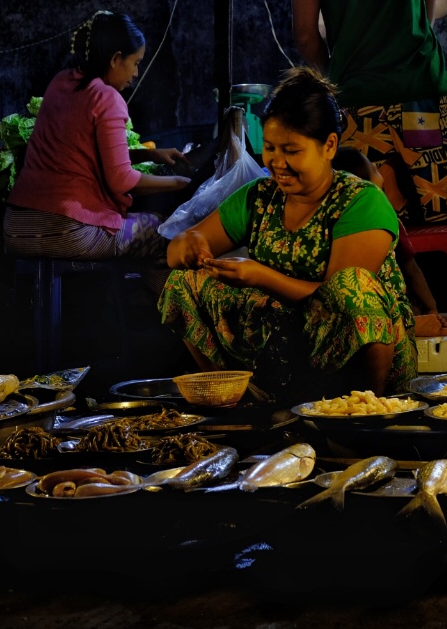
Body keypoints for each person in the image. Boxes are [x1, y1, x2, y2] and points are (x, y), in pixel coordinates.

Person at [159, 67, 417, 398]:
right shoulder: (259, 196)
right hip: (285, 343)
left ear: (329, 146)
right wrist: (190, 243)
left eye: (291, 151)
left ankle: (365, 413)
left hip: (353, 352)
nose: (276, 162)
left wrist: (259, 276)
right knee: (183, 282)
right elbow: (176, 252)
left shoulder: (361, 201)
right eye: (270, 148)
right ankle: (235, 400)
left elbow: (342, 297)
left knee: (352, 287)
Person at [288, 0, 447, 311]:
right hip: (425, 93)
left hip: (360, 107)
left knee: (374, 222)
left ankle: (394, 328)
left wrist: (339, 79)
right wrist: (409, 53)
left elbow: (305, 36)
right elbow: (427, 6)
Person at [3, 11, 190, 276]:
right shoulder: (107, 98)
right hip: (67, 231)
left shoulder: (61, 82)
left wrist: (150, 155)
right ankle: (155, 314)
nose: (136, 73)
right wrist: (181, 184)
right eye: (135, 63)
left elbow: (84, 151)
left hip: (16, 228)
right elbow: (121, 180)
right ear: (115, 59)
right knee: (165, 230)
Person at [332, 147, 447, 338]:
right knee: (413, 310)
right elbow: (411, 269)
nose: (379, 168)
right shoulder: (384, 216)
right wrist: (432, 308)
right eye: (374, 169)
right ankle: (409, 325)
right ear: (364, 185)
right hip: (389, 307)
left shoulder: (335, 221)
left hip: (356, 311)